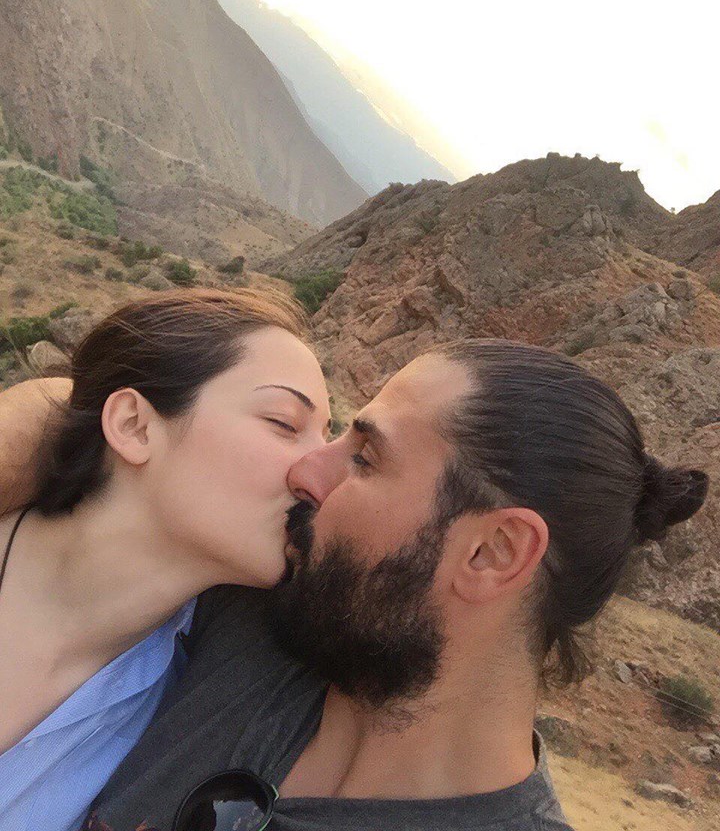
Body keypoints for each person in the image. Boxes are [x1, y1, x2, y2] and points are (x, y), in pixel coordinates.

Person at [1, 340, 707, 831]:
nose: (309, 471)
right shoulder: (274, 620)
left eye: (364, 458)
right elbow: (83, 405)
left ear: (493, 552)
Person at [0, 287, 331, 831]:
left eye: (327, 437)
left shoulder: (178, 710)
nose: (320, 474)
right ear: (134, 425)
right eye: (284, 423)